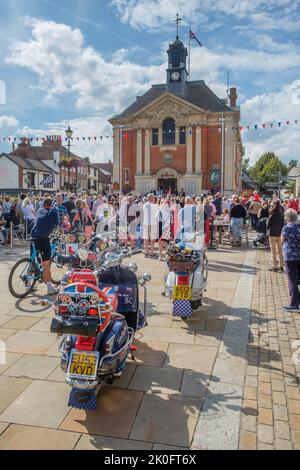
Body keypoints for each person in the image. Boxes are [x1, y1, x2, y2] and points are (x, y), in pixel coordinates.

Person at [31, 198, 59, 295]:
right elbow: (57, 224)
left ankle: (28, 284)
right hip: (43, 238)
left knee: (33, 259)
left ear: (43, 204)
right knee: (46, 263)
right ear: (51, 205)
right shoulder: (53, 212)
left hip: (33, 236)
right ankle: (50, 288)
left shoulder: (39, 210)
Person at [281, 209, 300, 312]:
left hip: (290, 257)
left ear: (287, 218)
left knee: (292, 281)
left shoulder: (287, 228)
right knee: (296, 280)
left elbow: (283, 240)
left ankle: (294, 304)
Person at [266, 200, 284, 272]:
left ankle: (274, 266)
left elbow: (269, 222)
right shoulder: (281, 212)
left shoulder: (272, 212)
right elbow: (283, 223)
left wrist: (267, 230)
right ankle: (281, 266)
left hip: (272, 233)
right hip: (279, 233)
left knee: (273, 251)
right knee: (280, 251)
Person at [143, 193, 158, 258]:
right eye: (154, 198)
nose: (154, 199)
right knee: (152, 239)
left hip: (146, 223)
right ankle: (152, 253)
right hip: (153, 223)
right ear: (151, 198)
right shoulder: (155, 206)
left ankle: (146, 253)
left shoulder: (145, 205)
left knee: (146, 239)